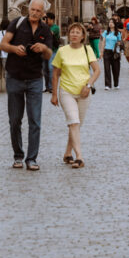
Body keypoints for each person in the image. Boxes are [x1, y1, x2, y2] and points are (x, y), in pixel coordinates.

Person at [0, 0, 53, 170]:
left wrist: (43, 48)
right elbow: (3, 44)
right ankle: (18, 155)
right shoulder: (17, 23)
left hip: (35, 79)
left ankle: (32, 158)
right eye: (32, 9)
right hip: (15, 76)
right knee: (15, 120)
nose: (35, 13)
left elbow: (48, 55)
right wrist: (15, 49)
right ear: (28, 9)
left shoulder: (46, 30)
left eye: (38, 11)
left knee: (35, 120)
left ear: (43, 13)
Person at [51, 21, 101, 168]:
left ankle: (68, 153)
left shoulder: (87, 50)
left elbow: (97, 70)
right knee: (73, 121)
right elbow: (55, 74)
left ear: (82, 36)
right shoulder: (62, 51)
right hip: (66, 91)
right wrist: (54, 94)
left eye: (77, 32)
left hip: (84, 92)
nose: (74, 34)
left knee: (77, 125)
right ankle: (79, 156)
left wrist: (89, 85)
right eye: (72, 32)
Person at [43, 11, 61, 92]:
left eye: (47, 19)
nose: (46, 20)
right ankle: (47, 86)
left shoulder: (55, 27)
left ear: (52, 20)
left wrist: (43, 25)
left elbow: (48, 34)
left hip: (53, 50)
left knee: (50, 68)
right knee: (44, 69)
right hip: (44, 51)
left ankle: (51, 87)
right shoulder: (44, 26)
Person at [102, 18, 122, 90]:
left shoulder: (118, 33)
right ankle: (107, 85)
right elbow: (103, 42)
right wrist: (101, 52)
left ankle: (116, 84)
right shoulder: (105, 32)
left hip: (114, 52)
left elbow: (119, 43)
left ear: (114, 24)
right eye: (109, 22)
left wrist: (120, 53)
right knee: (107, 69)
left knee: (116, 69)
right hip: (107, 52)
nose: (110, 24)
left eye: (112, 22)